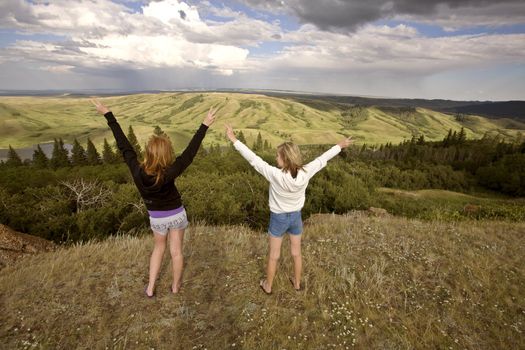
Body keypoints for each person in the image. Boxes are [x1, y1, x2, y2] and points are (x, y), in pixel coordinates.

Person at [92, 99, 217, 297]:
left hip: (157, 218)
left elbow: (124, 146)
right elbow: (189, 154)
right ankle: (175, 287)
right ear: (166, 156)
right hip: (176, 215)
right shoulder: (170, 172)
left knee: (158, 249)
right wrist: (204, 125)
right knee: (176, 252)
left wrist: (108, 115)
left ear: (148, 153)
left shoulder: (136, 170)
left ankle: (150, 287)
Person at [225, 124, 353, 294]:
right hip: (296, 218)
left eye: (278, 155)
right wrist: (340, 145)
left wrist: (234, 139)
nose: (275, 157)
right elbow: (323, 158)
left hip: (278, 218)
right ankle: (297, 283)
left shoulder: (275, 174)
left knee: (274, 255)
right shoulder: (306, 172)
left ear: (285, 158)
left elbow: (253, 159)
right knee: (296, 252)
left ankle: (268, 286)